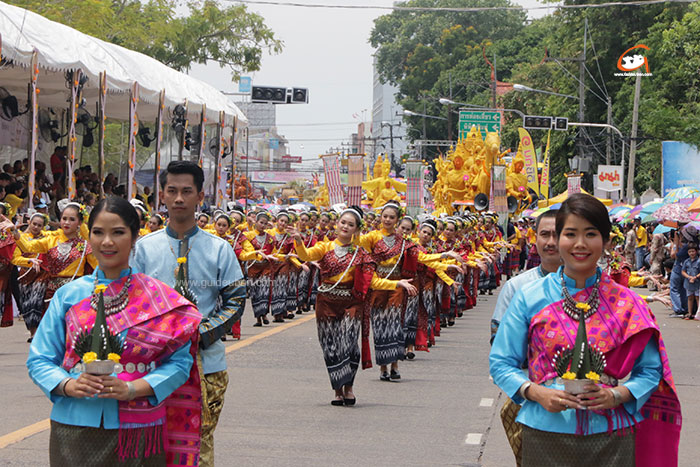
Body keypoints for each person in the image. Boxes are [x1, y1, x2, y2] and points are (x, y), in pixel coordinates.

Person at [490, 193, 680, 466]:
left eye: (590, 234)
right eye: (570, 234)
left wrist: (616, 395)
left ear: (606, 241)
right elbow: (501, 362)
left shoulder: (629, 303)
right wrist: (536, 392)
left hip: (612, 435)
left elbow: (651, 370)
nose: (580, 244)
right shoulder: (528, 298)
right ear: (558, 239)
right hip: (544, 431)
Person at [24, 197, 203, 466]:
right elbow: (39, 358)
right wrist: (68, 384)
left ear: (134, 236)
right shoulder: (68, 296)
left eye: (118, 232)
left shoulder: (160, 298)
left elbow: (179, 364)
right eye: (98, 232)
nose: (107, 242)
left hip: (140, 431)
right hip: (74, 427)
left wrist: (132, 389)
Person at [132, 161, 246, 467]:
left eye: (187, 191)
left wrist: (200, 334)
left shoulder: (219, 249)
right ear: (162, 195)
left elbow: (236, 300)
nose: (179, 198)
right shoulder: (143, 248)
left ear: (200, 195)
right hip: (153, 366)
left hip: (207, 363)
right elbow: (131, 303)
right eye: (172, 191)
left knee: (199, 442)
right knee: (151, 442)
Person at [289, 206, 416, 406]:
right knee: (331, 347)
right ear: (337, 224)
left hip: (351, 304)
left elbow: (372, 281)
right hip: (326, 304)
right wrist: (298, 241)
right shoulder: (324, 247)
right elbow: (306, 256)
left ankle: (349, 388)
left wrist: (397, 283)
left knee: (348, 344)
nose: (345, 226)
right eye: (343, 222)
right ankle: (337, 390)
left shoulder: (361, 255)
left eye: (350, 224)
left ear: (357, 230)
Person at [489, 209, 560, 466]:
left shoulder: (593, 288)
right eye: (544, 234)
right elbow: (499, 349)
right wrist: (531, 390)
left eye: (559, 234)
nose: (551, 241)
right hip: (531, 397)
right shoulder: (518, 287)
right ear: (534, 239)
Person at [12, 202, 98, 315]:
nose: (66, 222)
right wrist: (15, 232)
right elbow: (28, 247)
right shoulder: (51, 240)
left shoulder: (86, 246)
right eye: (64, 218)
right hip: (52, 293)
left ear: (80, 223)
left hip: (75, 293)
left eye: (72, 219)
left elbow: (98, 268)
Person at [11, 212, 50, 341]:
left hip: (42, 274)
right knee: (27, 304)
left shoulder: (47, 238)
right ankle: (32, 331)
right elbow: (15, 258)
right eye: (34, 224)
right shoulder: (20, 237)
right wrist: (29, 262)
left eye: (39, 225)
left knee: (37, 301)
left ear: (43, 226)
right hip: (25, 275)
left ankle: (37, 333)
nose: (36, 227)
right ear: (29, 223)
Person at [681, 242, 700, 319]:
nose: (691, 253)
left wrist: (695, 277)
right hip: (688, 282)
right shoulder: (686, 261)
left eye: (693, 251)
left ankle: (698, 314)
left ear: (696, 251)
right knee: (690, 297)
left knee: (697, 297)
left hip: (697, 282)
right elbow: (683, 271)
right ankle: (689, 313)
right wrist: (689, 277)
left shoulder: (699, 261)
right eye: (690, 251)